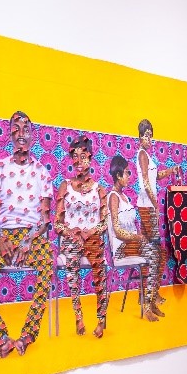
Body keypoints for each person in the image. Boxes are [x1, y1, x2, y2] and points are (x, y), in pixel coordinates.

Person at [0, 111, 53, 358]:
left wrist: (28, 240)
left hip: (32, 235)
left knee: (48, 262)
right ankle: (1, 337)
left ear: (33, 136)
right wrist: (1, 238)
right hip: (2, 234)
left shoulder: (42, 173)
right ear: (10, 134)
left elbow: (44, 220)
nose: (21, 133)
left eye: (26, 129)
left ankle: (27, 335)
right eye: (16, 128)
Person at [55, 136, 110, 338]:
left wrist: (89, 232)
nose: (78, 161)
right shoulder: (65, 186)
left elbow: (104, 223)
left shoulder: (99, 189)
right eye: (74, 157)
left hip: (92, 237)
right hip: (72, 238)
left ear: (91, 158)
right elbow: (57, 223)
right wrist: (72, 232)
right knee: (72, 264)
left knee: (100, 268)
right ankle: (78, 316)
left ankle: (101, 320)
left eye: (83, 156)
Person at [107, 154, 164, 322]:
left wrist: (141, 238)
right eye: (127, 172)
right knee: (153, 254)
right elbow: (117, 231)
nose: (129, 176)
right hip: (121, 248)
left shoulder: (125, 197)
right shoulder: (113, 197)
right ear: (118, 175)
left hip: (132, 244)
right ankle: (147, 305)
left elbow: (132, 225)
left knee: (160, 253)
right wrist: (138, 238)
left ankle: (150, 299)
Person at [135, 119, 177, 300]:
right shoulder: (142, 155)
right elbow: (145, 182)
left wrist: (170, 170)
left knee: (149, 251)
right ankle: (151, 294)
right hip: (147, 206)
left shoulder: (147, 156)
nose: (149, 139)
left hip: (146, 206)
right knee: (155, 251)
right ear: (140, 137)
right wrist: (156, 205)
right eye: (146, 136)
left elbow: (155, 176)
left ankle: (146, 293)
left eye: (151, 136)